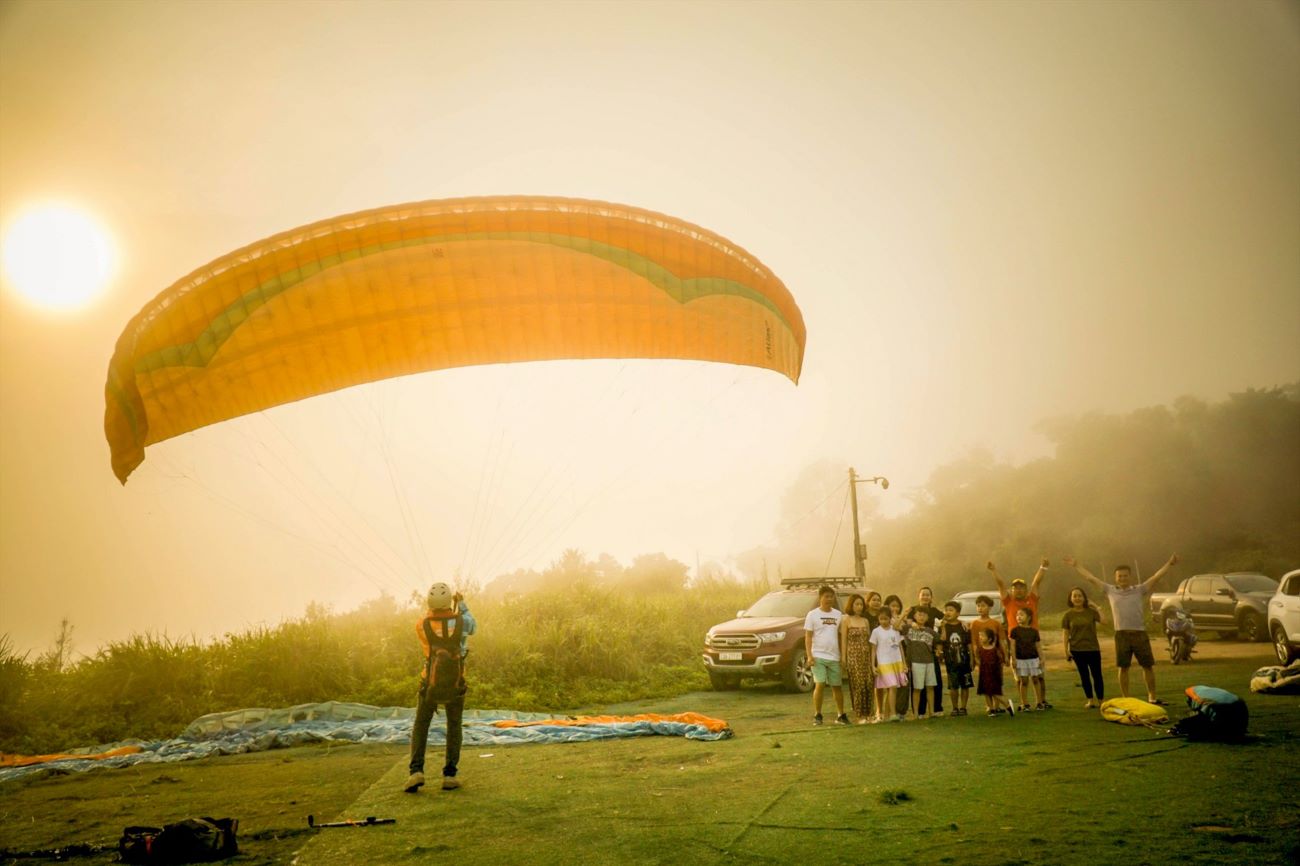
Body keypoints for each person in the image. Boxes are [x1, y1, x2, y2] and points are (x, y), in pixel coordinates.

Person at [1064, 554, 1179, 704]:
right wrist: (1076, 565)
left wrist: (1169, 564)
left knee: (1147, 666)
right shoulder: (1110, 590)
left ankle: (1152, 697)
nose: (1122, 578)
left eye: (1125, 576)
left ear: (1130, 577)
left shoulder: (1139, 589)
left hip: (1139, 633)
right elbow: (1091, 578)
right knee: (1123, 667)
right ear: (1115, 578)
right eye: (1120, 576)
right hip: (1121, 634)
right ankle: (1126, 699)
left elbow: (1156, 577)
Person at [405, 581, 476, 793]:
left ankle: (416, 771)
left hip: (430, 683)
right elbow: (473, 625)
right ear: (448, 601)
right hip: (456, 683)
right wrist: (461, 605)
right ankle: (450, 775)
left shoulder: (422, 624)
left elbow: (432, 625)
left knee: (421, 725)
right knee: (454, 725)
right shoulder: (462, 621)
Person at [988, 558, 1047, 703]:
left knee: (1038, 674)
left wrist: (1043, 567)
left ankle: (1042, 701)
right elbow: (1000, 584)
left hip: (1033, 640)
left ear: (1025, 590)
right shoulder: (1009, 602)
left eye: (1021, 587)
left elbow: (1036, 583)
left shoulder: (1031, 600)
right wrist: (993, 570)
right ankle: (1023, 702)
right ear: (1011, 590)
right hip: (1015, 641)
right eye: (1015, 587)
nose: (1019, 590)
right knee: (1020, 676)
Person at [804, 585, 848, 726]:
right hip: (818, 656)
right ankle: (818, 714)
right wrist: (809, 656)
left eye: (831, 596)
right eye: (826, 596)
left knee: (837, 686)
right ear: (820, 598)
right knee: (820, 683)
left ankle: (841, 715)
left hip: (834, 656)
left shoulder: (837, 615)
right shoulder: (812, 615)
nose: (829, 599)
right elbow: (808, 637)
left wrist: (843, 656)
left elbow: (842, 636)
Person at [903, 587, 945, 716]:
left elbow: (945, 618)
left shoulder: (933, 611)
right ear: (918, 596)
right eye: (923, 594)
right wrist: (911, 623)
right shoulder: (913, 610)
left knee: (934, 682)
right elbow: (905, 623)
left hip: (930, 647)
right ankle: (919, 712)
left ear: (931, 597)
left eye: (928, 595)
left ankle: (935, 709)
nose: (925, 597)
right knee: (917, 685)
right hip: (915, 650)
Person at [1061, 587, 1105, 708]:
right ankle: (1090, 700)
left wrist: (1096, 607)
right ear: (1071, 599)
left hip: (1093, 649)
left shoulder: (1090, 612)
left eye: (1080, 595)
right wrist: (1066, 650)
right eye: (1074, 596)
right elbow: (1065, 633)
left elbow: (1104, 621)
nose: (1077, 598)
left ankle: (1101, 700)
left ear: (1084, 598)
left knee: (1097, 675)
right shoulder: (1068, 615)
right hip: (1077, 650)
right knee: (1084, 676)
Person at [839, 594, 875, 724]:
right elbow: (843, 641)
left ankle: (869, 714)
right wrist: (844, 658)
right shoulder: (846, 620)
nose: (859, 607)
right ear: (851, 605)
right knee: (858, 685)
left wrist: (872, 659)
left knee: (869, 684)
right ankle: (859, 715)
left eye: (861, 604)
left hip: (866, 656)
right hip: (854, 657)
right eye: (856, 604)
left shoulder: (865, 621)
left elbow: (870, 641)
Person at [870, 609, 906, 722]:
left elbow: (900, 647)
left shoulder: (895, 630)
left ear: (890, 619)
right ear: (878, 619)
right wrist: (873, 666)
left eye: (886, 618)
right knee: (893, 686)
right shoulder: (876, 632)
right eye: (881, 619)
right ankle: (893, 714)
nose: (884, 621)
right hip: (884, 663)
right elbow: (873, 650)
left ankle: (886, 715)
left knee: (891, 689)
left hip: (896, 662)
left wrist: (904, 663)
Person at [1008, 607, 1046, 711]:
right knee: (1023, 681)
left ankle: (1039, 703)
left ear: (1029, 617)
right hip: (1021, 660)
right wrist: (1014, 659)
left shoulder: (1034, 631)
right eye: (1017, 615)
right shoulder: (1014, 631)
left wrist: (1041, 658)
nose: (1018, 617)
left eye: (1021, 615)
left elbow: (1038, 646)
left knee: (1035, 679)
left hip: (1033, 659)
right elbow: (1012, 646)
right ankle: (1025, 704)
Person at [939, 601, 973, 716]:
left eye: (951, 610)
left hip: (964, 661)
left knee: (965, 685)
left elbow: (969, 644)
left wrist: (972, 659)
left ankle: (963, 707)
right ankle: (955, 708)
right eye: (946, 610)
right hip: (951, 662)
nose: (948, 612)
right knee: (953, 686)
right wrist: (943, 627)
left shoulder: (963, 626)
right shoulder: (944, 626)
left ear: (958, 613)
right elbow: (942, 640)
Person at [975, 627, 1015, 717]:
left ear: (989, 639)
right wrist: (978, 663)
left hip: (993, 673)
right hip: (984, 673)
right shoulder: (980, 648)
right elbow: (977, 657)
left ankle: (1007, 704)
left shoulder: (995, 650)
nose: (980, 638)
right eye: (980, 636)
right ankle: (991, 709)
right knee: (986, 691)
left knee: (993, 691)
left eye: (983, 636)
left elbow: (1000, 660)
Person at [883, 594, 908, 719]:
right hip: (890, 654)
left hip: (902, 651)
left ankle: (900, 712)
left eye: (898, 606)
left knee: (903, 683)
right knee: (891, 685)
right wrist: (903, 616)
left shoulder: (902, 619)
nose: (895, 608)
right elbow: (895, 627)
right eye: (893, 606)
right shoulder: (886, 619)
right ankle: (887, 714)